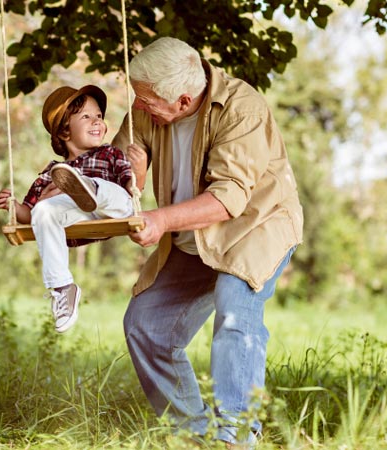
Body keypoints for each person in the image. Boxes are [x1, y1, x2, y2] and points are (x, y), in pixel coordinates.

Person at [112, 37, 303, 447]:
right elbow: (111, 174)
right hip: (193, 234)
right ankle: (195, 436)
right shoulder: (147, 107)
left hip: (254, 228)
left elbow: (228, 198)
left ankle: (234, 438)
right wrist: (134, 180)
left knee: (235, 308)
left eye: (145, 101)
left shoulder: (242, 108)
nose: (138, 107)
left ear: (182, 100)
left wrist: (160, 219)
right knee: (145, 326)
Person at [0, 85, 146, 333]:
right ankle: (62, 287)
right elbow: (30, 215)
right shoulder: (52, 174)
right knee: (43, 211)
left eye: (98, 115)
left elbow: (132, 190)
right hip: (76, 215)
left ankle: (88, 187)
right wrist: (13, 207)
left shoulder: (109, 154)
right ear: (65, 131)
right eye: (86, 116)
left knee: (111, 193)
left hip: (113, 207)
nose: (97, 121)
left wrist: (138, 172)